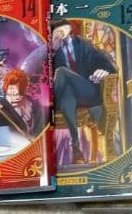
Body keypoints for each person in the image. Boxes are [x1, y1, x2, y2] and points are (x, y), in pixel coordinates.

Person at [50, 18, 117, 163]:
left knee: (61, 72)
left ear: (69, 28)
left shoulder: (83, 44)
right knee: (67, 97)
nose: (60, 31)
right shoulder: (52, 52)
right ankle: (76, 148)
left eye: (63, 27)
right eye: (56, 30)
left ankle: (52, 102)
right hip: (68, 95)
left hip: (87, 90)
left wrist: (103, 70)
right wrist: (52, 52)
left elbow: (108, 63)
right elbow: (42, 75)